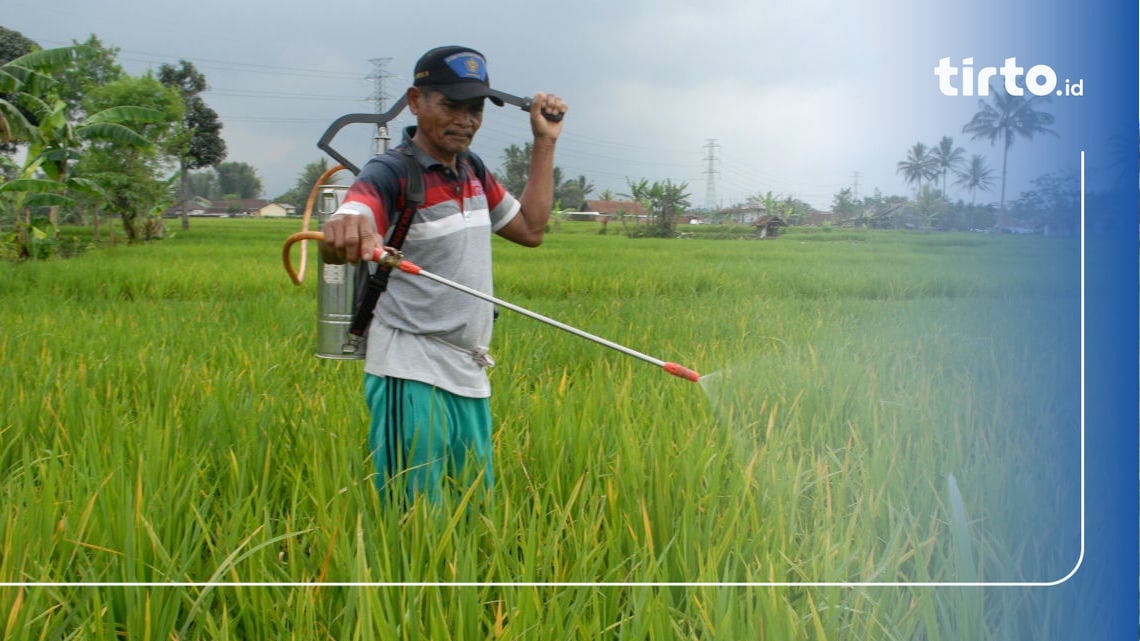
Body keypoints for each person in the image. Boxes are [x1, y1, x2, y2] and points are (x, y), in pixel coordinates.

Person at [319, 45, 566, 504]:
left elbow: (531, 229)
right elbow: (360, 205)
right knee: (414, 516)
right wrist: (349, 221)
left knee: (471, 505)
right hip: (411, 369)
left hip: (467, 367)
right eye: (451, 105)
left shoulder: (471, 171)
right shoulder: (392, 170)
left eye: (474, 109)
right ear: (416, 101)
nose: (465, 120)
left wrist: (545, 140)